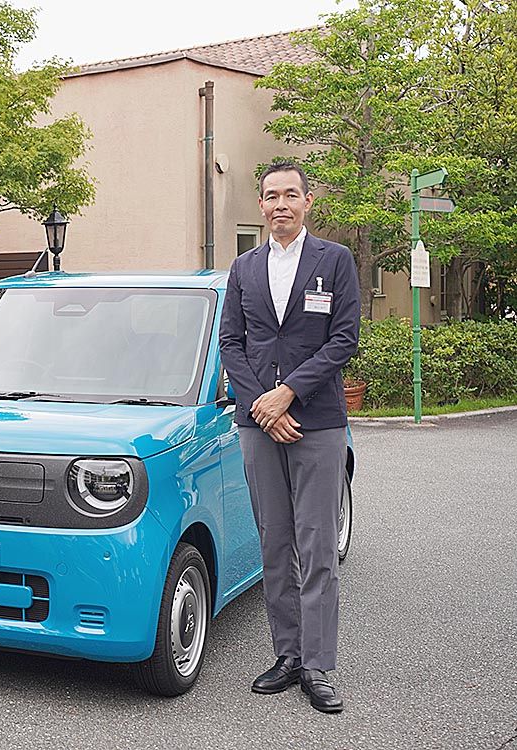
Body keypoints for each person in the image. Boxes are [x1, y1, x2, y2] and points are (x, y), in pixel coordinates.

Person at [218, 161, 360, 713]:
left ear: (307, 202)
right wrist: (263, 403)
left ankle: (318, 665)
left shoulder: (335, 260)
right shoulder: (243, 267)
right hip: (259, 424)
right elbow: (232, 343)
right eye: (271, 195)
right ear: (260, 205)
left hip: (317, 421)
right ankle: (288, 655)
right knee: (274, 543)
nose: (281, 204)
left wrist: (289, 393)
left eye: (291, 195)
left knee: (317, 546)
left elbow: (344, 339)